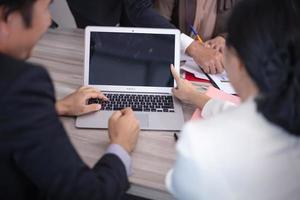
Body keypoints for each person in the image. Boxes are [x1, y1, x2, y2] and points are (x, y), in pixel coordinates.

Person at [0, 0, 141, 199]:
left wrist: (57, 106)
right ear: (7, 17)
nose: (49, 21)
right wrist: (121, 146)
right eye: (46, 9)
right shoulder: (21, 84)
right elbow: (88, 194)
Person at [167, 0, 300, 199]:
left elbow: (173, 183)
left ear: (236, 61)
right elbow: (251, 118)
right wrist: (196, 97)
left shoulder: (198, 143)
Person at [66, 0, 223, 74]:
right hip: (93, 5)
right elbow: (139, 10)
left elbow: (139, 10)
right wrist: (193, 47)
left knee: (135, 52)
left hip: (136, 9)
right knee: (96, 55)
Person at [154, 0, 241, 73]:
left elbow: (247, 26)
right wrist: (192, 47)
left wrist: (224, 38)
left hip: (213, 68)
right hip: (176, 61)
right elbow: (156, 25)